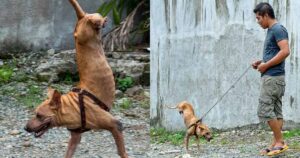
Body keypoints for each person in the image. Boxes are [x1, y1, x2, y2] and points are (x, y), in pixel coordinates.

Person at [252, 2, 290, 156]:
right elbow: (276, 53)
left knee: (265, 110)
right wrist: (261, 62)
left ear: (266, 15)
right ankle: (276, 142)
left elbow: (285, 51)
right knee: (275, 111)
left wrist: (266, 65)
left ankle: (280, 141)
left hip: (272, 78)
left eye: (259, 18)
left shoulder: (277, 29)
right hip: (274, 77)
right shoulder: (272, 30)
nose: (258, 21)